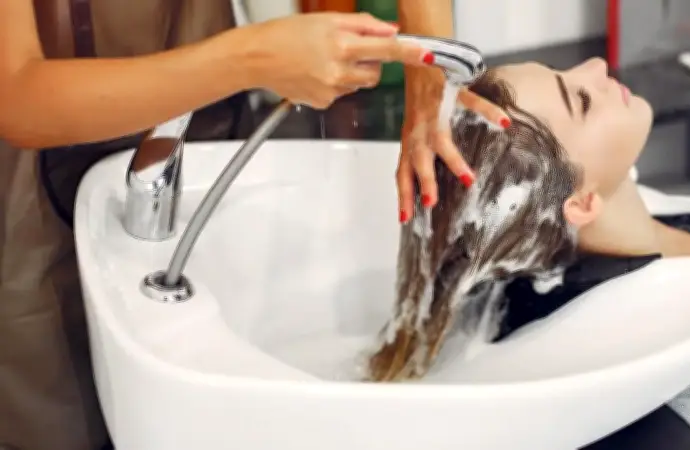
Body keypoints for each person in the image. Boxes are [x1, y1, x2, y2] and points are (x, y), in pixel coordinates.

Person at [0, 1, 505, 449]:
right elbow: (14, 92)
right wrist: (250, 59)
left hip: (204, 143)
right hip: (33, 194)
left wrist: (429, 82)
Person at [380, 57, 690, 448]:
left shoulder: (596, 228)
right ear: (580, 204)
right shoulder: (678, 384)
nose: (597, 65)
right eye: (581, 101)